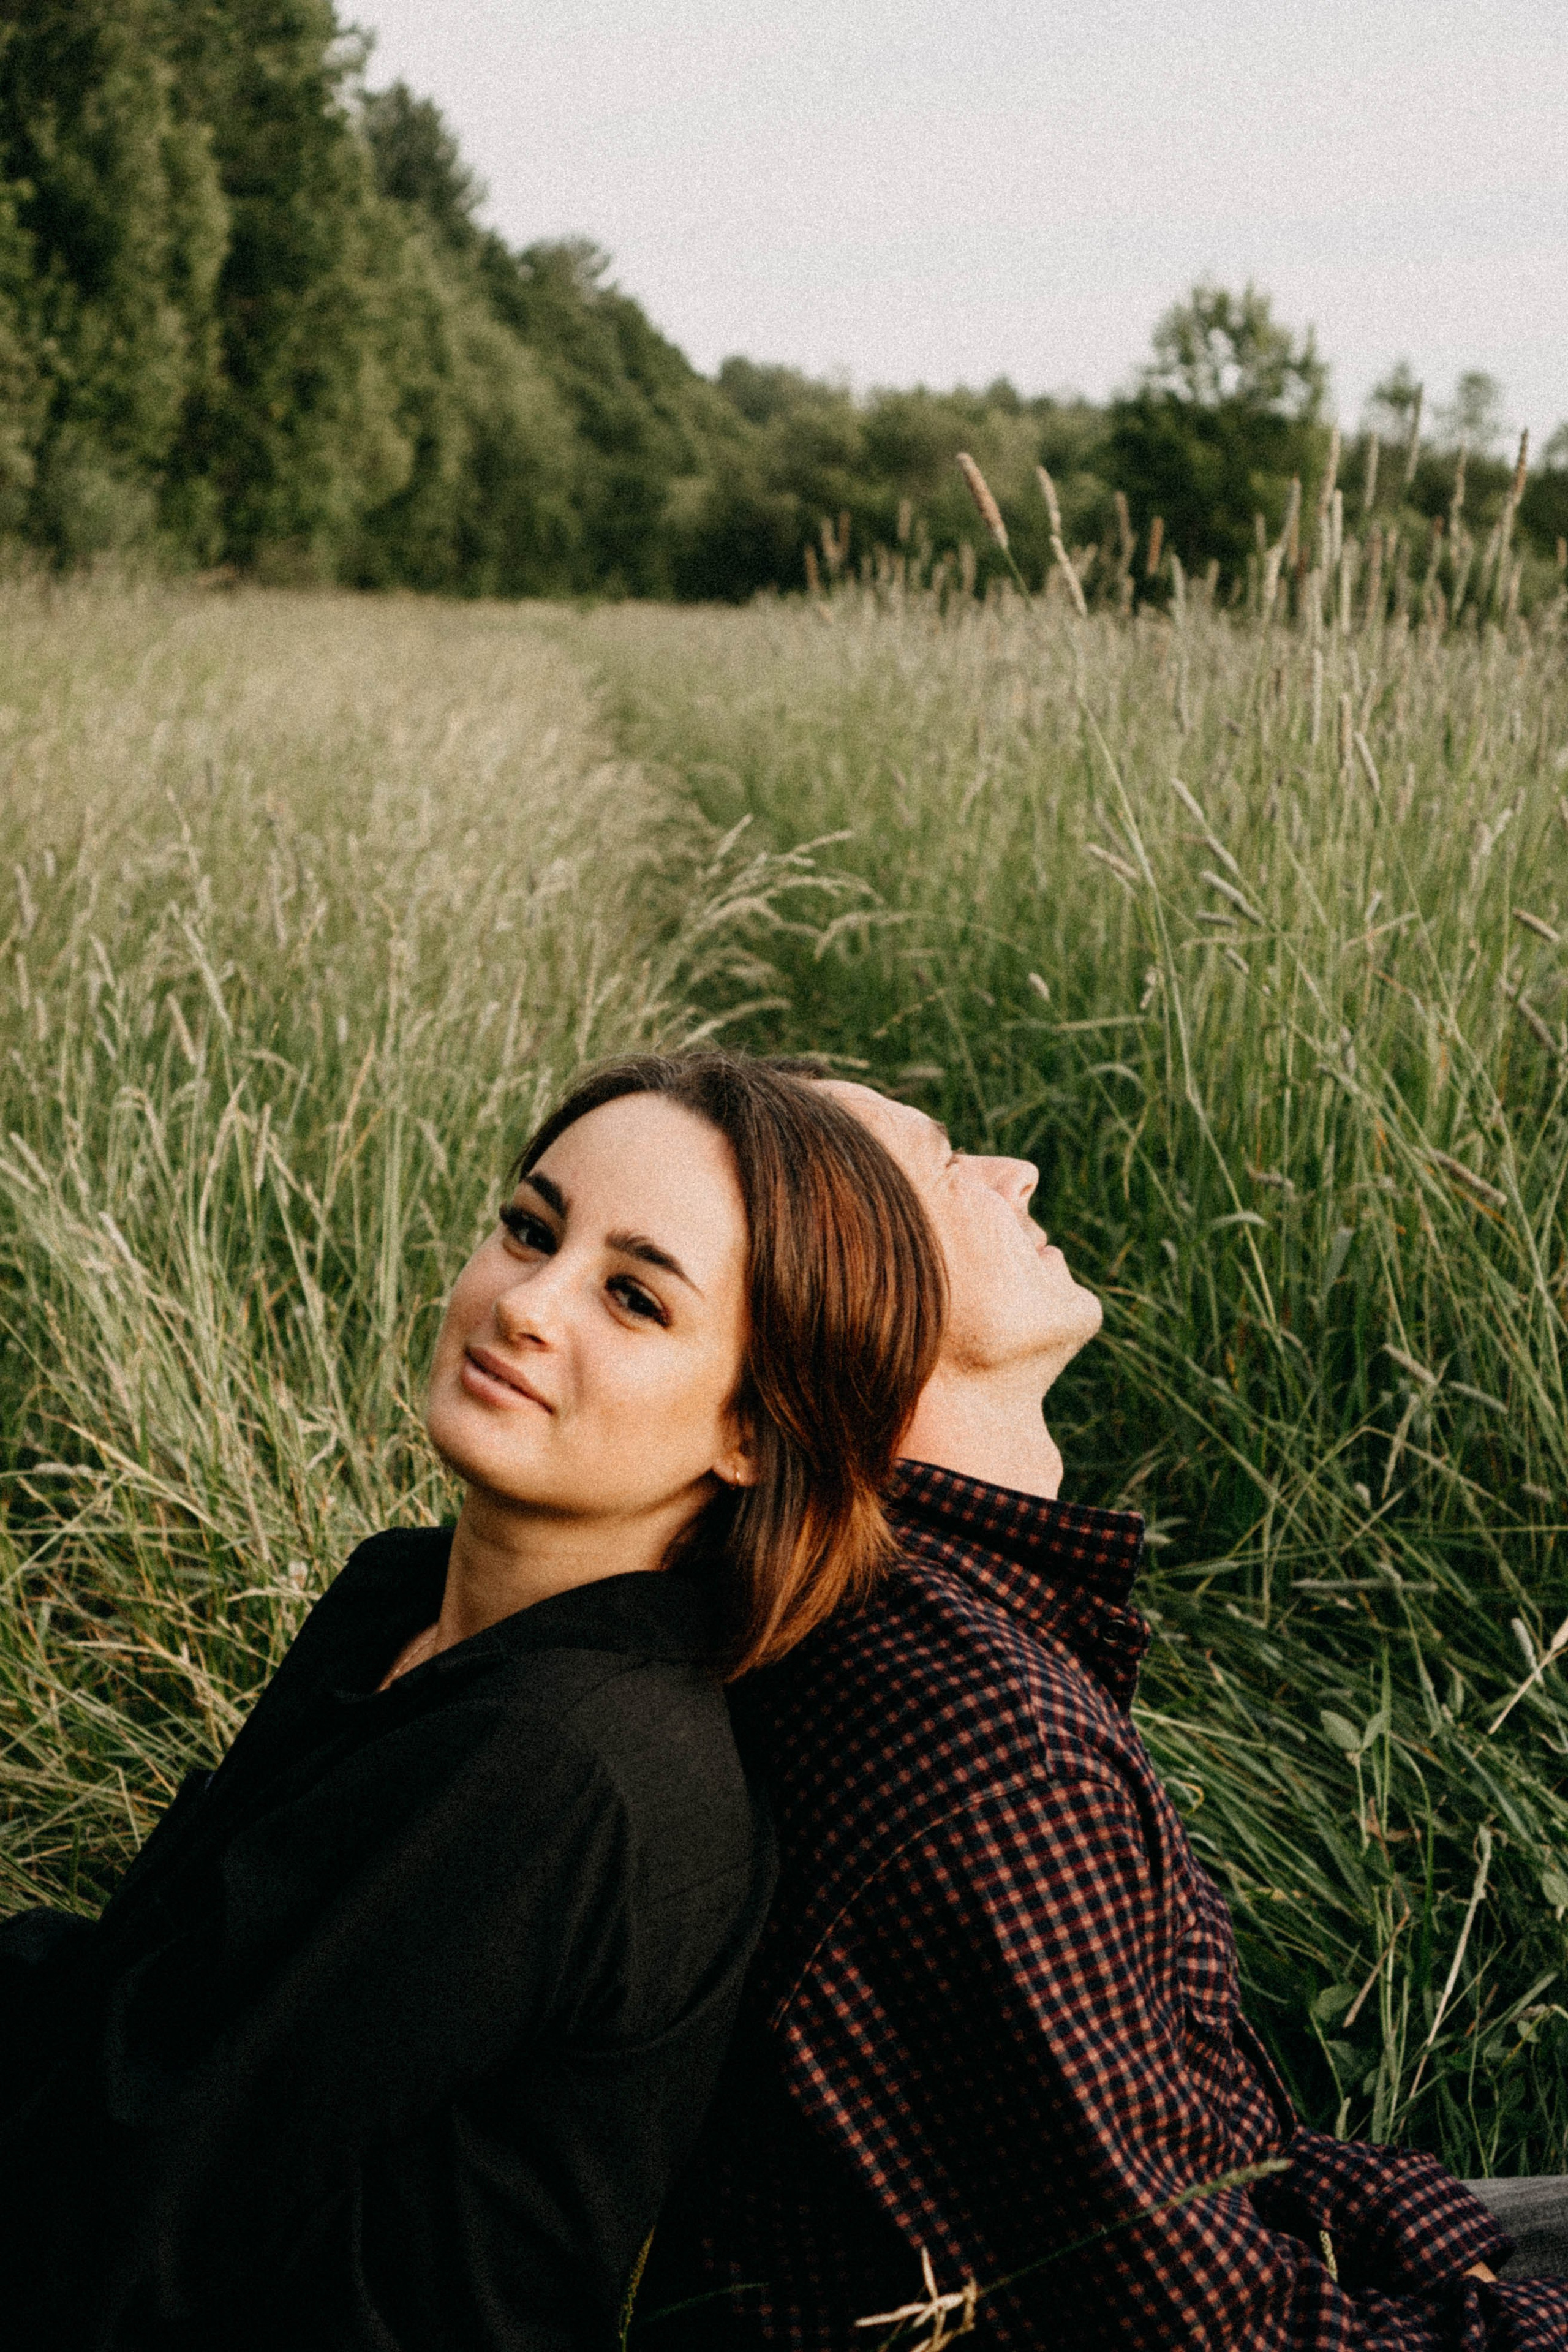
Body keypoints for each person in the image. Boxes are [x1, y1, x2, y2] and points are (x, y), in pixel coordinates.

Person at [0, 1052, 946, 2352]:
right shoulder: (402, 1598)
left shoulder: (562, 1765)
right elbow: (150, 2002)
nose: (528, 1304)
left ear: (752, 1433)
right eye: (529, 1230)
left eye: (631, 1297)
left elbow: (138, 2216)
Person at [641, 1077, 1568, 2350]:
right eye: (943, 1161)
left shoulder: (878, 1606)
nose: (1012, 1170)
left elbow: (1195, 2168)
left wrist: (1426, 2236)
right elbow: (1209, 2333)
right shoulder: (984, 1739)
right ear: (846, 1302)